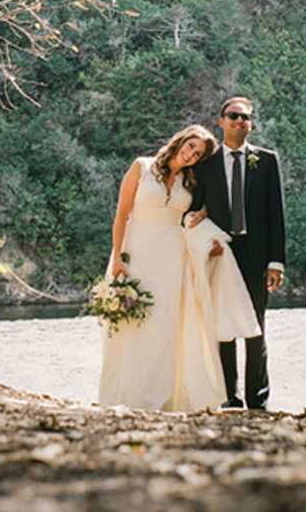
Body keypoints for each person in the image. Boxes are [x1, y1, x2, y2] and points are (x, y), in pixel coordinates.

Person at [98, 124, 231, 411]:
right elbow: (121, 215)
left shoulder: (190, 182)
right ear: (181, 140)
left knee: (166, 325)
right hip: (137, 250)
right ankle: (127, 395)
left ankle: (162, 396)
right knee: (132, 322)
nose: (191, 154)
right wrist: (118, 258)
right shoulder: (141, 167)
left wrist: (204, 214)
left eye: (197, 154)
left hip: (173, 256)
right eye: (191, 145)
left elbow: (204, 207)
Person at [189, 97, 286, 410]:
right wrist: (206, 242)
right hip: (222, 254)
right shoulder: (206, 164)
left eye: (245, 118)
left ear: (251, 124)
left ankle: (258, 399)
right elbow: (195, 209)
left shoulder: (267, 161)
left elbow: (276, 214)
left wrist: (276, 262)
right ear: (220, 121)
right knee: (224, 328)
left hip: (257, 256)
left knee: (256, 327)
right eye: (233, 116)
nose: (239, 122)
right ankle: (229, 397)